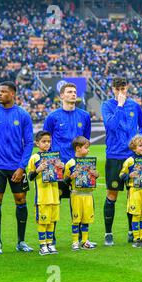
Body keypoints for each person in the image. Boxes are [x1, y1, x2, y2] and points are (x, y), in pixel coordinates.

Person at [0, 81, 34, 254]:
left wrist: (22, 167)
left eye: (3, 92)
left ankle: (21, 241)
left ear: (13, 94)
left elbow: (29, 143)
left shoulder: (23, 115)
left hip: (16, 167)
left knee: (21, 200)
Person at [44, 82, 92, 245]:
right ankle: (51, 238)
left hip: (78, 167)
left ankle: (80, 239)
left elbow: (85, 140)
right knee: (54, 202)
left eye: (74, 91)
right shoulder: (53, 117)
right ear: (62, 96)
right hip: (58, 166)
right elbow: (46, 141)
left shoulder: (84, 116)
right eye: (69, 92)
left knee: (78, 202)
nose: (73, 94)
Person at [101, 77, 142, 246]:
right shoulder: (107, 106)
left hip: (132, 157)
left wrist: (139, 141)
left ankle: (131, 231)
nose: (121, 91)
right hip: (114, 155)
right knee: (112, 194)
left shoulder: (135, 106)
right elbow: (111, 126)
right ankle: (108, 233)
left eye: (123, 88)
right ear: (112, 89)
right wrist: (119, 106)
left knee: (132, 195)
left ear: (127, 88)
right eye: (117, 88)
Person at [28, 131, 63, 255]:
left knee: (52, 221)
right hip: (42, 197)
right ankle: (42, 245)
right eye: (44, 141)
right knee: (43, 221)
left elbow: (60, 176)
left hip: (54, 196)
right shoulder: (35, 157)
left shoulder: (54, 157)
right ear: (37, 143)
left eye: (49, 141)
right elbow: (30, 176)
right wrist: (38, 170)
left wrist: (61, 167)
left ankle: (50, 244)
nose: (47, 144)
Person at [119, 135, 142, 248]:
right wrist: (129, 175)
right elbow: (121, 175)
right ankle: (136, 238)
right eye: (140, 146)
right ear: (134, 148)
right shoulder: (130, 161)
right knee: (136, 214)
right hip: (135, 191)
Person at [64, 136, 99, 250]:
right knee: (76, 219)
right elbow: (64, 181)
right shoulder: (70, 163)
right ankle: (75, 242)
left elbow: (94, 177)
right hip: (76, 194)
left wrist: (96, 174)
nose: (88, 150)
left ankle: (85, 241)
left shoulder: (89, 163)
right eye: (86, 147)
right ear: (78, 148)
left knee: (86, 219)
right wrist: (71, 177)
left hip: (88, 195)